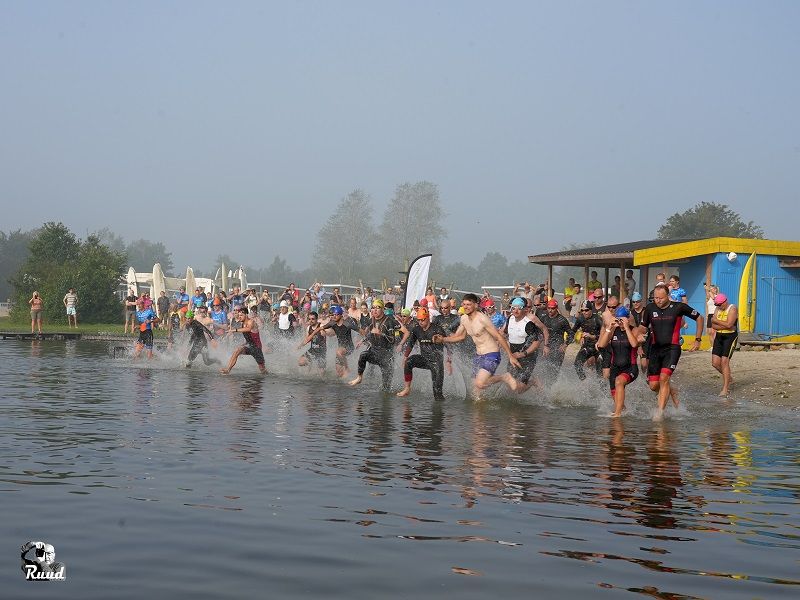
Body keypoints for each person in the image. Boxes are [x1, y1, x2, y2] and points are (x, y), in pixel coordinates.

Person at [432, 293, 521, 399]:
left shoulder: (482, 319)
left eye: (468, 304)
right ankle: (479, 413)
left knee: (480, 383)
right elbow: (459, 337)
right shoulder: (464, 318)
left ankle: (504, 377)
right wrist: (443, 339)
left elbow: (499, 336)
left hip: (491, 354)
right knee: (475, 390)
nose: (465, 307)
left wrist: (510, 356)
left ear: (476, 305)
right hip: (478, 355)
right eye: (464, 304)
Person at [637, 285, 703, 419]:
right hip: (655, 348)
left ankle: (659, 413)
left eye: (661, 298)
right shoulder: (650, 308)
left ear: (668, 296)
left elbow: (699, 318)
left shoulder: (679, 307)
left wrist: (697, 339)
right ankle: (671, 391)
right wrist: (638, 335)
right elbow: (643, 327)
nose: (658, 300)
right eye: (655, 298)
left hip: (672, 348)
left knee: (664, 378)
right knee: (653, 385)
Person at [488, 297, 548, 394]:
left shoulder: (528, 323)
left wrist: (524, 353)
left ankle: (533, 382)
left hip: (528, 357)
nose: (515, 310)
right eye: (513, 308)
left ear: (524, 309)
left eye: (519, 308)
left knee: (519, 390)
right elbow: (503, 333)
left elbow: (537, 341)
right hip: (513, 356)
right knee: (511, 385)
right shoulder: (510, 319)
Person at [396, 307, 449, 400]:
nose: (420, 322)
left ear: (428, 317)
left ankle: (441, 411)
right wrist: (405, 357)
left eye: (422, 320)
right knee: (409, 362)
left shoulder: (437, 329)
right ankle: (407, 388)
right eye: (418, 320)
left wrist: (449, 360)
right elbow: (411, 343)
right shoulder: (417, 329)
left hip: (436, 363)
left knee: (437, 394)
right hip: (424, 359)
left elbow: (448, 345)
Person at [597, 306, 640, 417]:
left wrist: (626, 327)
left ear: (627, 318)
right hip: (615, 369)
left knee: (619, 381)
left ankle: (617, 414)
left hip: (630, 368)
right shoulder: (613, 330)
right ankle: (624, 413)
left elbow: (634, 344)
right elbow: (601, 345)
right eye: (618, 319)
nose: (620, 322)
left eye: (622, 319)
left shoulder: (634, 330)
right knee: (616, 398)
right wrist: (609, 329)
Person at [349, 299, 397, 391]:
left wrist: (381, 334)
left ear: (382, 309)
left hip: (387, 357)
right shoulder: (371, 320)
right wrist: (363, 341)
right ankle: (359, 377)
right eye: (373, 308)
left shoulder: (389, 321)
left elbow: (392, 340)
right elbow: (370, 334)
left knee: (386, 389)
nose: (374, 310)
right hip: (375, 353)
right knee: (363, 355)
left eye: (377, 308)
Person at [220, 307, 267, 374]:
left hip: (257, 348)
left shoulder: (251, 322)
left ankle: (266, 375)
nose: (239, 317)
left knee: (262, 369)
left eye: (241, 315)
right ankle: (228, 369)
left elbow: (249, 329)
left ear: (246, 315)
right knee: (237, 350)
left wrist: (234, 330)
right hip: (250, 346)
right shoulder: (242, 324)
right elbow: (249, 337)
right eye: (238, 315)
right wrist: (243, 344)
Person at [319, 305, 361, 378]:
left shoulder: (344, 323)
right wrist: (323, 330)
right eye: (331, 315)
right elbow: (331, 333)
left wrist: (360, 340)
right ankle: (345, 381)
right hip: (340, 348)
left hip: (347, 348)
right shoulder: (331, 323)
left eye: (334, 315)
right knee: (339, 372)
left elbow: (333, 333)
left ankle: (347, 369)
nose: (332, 317)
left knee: (339, 352)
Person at [709, 293, 738, 396]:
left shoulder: (732, 308)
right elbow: (713, 326)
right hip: (719, 337)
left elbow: (730, 325)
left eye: (720, 304)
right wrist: (723, 325)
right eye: (717, 305)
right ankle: (729, 378)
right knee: (715, 363)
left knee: (724, 362)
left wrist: (716, 321)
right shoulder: (718, 309)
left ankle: (725, 388)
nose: (718, 306)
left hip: (730, 337)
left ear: (725, 302)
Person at [538, 299, 573, 383]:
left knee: (555, 370)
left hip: (558, 348)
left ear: (556, 308)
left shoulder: (562, 320)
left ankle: (552, 388)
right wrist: (542, 345)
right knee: (545, 368)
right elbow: (539, 332)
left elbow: (571, 334)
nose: (550, 310)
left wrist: (565, 344)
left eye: (552, 308)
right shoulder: (544, 318)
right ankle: (545, 388)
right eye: (549, 308)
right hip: (547, 346)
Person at [571, 300, 603, 380]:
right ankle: (585, 383)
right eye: (582, 310)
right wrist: (565, 343)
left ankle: (603, 390)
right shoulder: (580, 319)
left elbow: (605, 334)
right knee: (577, 364)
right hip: (587, 346)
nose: (584, 312)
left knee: (600, 372)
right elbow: (573, 331)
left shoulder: (598, 319)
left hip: (598, 347)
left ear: (591, 309)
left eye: (586, 310)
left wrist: (593, 336)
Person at [629, 292, 650, 372]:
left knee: (644, 364)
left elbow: (644, 329)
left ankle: (645, 376)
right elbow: (633, 329)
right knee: (632, 361)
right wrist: (638, 346)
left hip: (646, 338)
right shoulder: (631, 313)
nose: (635, 303)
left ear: (641, 301)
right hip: (635, 338)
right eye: (633, 302)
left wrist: (640, 346)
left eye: (637, 301)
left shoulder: (646, 311)